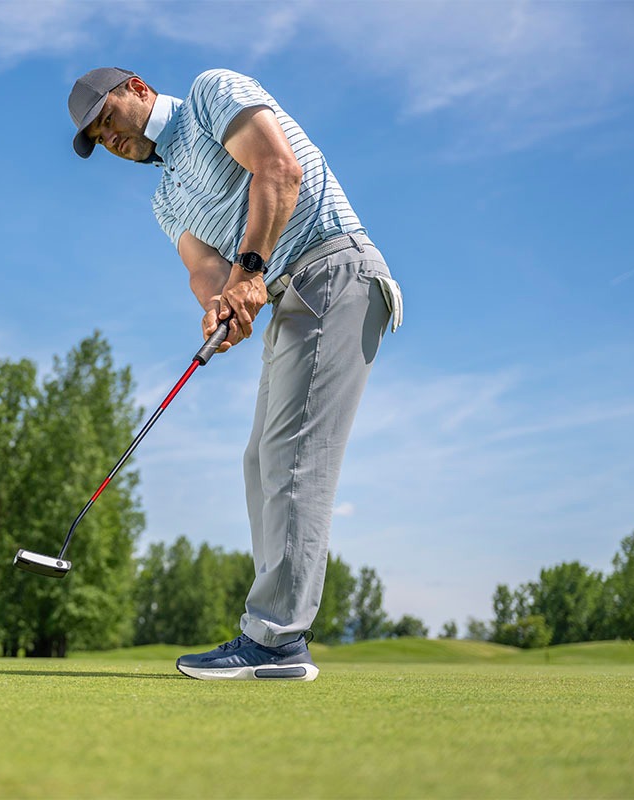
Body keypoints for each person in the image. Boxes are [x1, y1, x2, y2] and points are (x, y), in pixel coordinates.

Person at [68, 67, 403, 681]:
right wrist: (217, 305)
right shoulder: (166, 196)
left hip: (332, 270)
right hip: (288, 296)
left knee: (291, 455)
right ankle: (275, 635)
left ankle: (277, 641)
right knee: (261, 460)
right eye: (97, 136)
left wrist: (247, 273)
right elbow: (203, 268)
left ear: (137, 88)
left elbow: (278, 169)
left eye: (108, 116)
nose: (109, 135)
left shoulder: (209, 94)